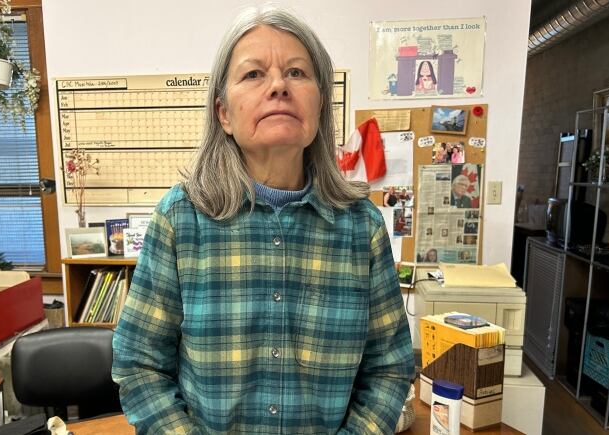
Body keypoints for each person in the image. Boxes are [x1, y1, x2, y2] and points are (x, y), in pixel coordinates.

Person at [112, 6, 414, 434]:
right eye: (253, 74)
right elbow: (139, 365)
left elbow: (389, 366)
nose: (278, 86)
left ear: (320, 104)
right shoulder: (181, 220)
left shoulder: (361, 228)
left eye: (297, 72)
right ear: (223, 113)